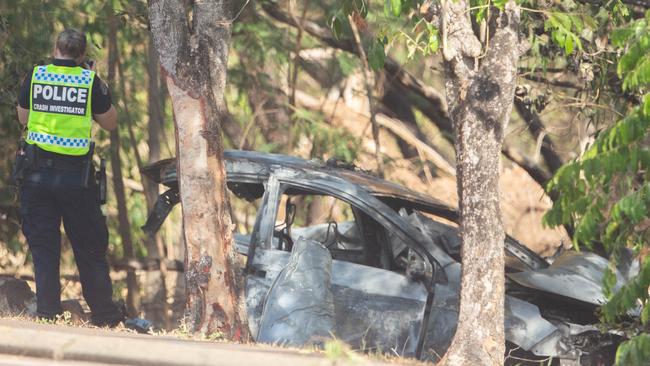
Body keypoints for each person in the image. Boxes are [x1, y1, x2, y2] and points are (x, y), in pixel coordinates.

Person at [15, 28, 124, 327]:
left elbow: (23, 118)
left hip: (37, 176)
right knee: (89, 246)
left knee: (44, 245)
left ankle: (48, 312)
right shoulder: (90, 82)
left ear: (55, 48)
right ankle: (104, 314)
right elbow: (111, 123)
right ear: (82, 54)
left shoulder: (35, 76)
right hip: (77, 179)